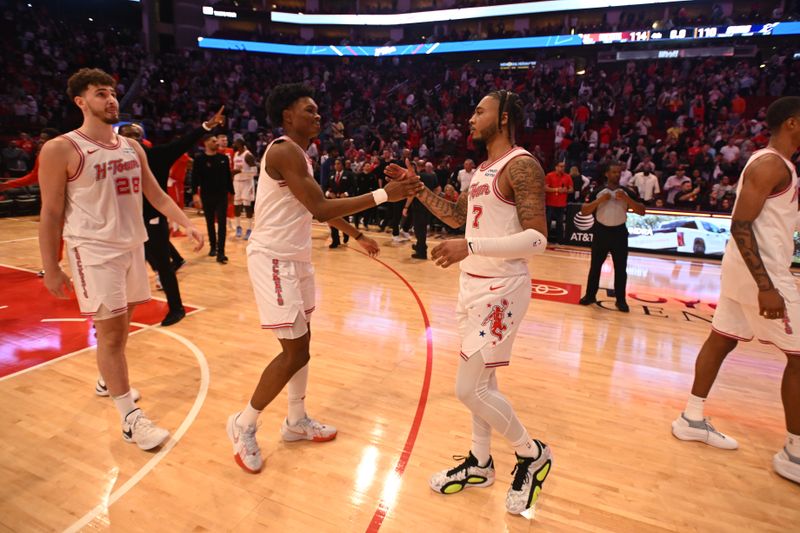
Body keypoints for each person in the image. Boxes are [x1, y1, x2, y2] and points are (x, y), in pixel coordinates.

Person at [225, 83, 420, 474]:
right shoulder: (282, 150)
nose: (318, 116)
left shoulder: (303, 154)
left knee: (305, 346)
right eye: (310, 110)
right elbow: (318, 206)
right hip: (273, 260)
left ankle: (295, 421)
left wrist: (358, 234)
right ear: (287, 116)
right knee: (294, 350)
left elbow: (314, 206)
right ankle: (243, 423)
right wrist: (384, 195)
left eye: (317, 111)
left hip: (296, 259)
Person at [387, 89, 552, 516]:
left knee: (468, 388)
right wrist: (418, 188)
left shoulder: (522, 165)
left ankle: (531, 453)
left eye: (480, 111)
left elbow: (537, 238)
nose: (470, 118)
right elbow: (457, 218)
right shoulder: (482, 169)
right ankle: (480, 463)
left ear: (504, 118)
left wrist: (471, 246)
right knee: (484, 384)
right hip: (472, 286)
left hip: (501, 289)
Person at [38, 68, 204, 450]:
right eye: (100, 94)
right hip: (93, 250)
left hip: (132, 246)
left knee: (120, 325)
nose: (111, 99)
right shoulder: (62, 148)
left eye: (112, 93)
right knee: (112, 333)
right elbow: (50, 212)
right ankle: (130, 420)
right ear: (81, 102)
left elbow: (157, 194)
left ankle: (105, 379)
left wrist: (187, 224)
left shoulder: (131, 147)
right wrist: (52, 267)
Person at [671, 96, 800, 485]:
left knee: (721, 339)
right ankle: (795, 453)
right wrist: (766, 288)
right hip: (764, 276)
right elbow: (741, 225)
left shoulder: (778, 164)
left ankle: (691, 418)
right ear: (792, 123)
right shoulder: (769, 164)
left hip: (744, 272)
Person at [119, 109, 225, 326]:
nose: (130, 142)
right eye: (126, 138)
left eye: (134, 138)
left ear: (141, 141)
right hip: (128, 221)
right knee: (129, 266)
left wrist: (206, 126)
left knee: (162, 266)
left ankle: (176, 308)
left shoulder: (157, 155)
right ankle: (114, 314)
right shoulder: (114, 162)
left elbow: (185, 142)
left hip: (153, 217)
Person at [578, 161, 645, 312]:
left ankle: (621, 300)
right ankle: (590, 295)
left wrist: (627, 200)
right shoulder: (598, 191)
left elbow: (642, 211)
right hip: (601, 232)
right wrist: (599, 200)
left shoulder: (627, 192)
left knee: (621, 269)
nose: (617, 174)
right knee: (595, 267)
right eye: (614, 172)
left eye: (619, 172)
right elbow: (584, 211)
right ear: (607, 174)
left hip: (619, 233)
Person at [192, 134, 234, 264]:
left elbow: (228, 177)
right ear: (205, 143)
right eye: (213, 141)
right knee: (210, 222)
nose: (217, 143)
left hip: (221, 195)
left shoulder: (223, 158)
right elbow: (194, 178)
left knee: (222, 223)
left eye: (217, 141)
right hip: (206, 195)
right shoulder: (199, 159)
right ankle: (213, 247)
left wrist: (232, 193)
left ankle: (221, 252)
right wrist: (194, 194)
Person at [404, 161, 440, 260]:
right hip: (427, 206)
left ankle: (422, 252)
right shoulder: (432, 176)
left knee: (419, 229)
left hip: (418, 207)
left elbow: (412, 194)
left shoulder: (417, 178)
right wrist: (431, 198)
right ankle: (420, 245)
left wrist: (406, 207)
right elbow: (438, 189)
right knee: (422, 228)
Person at [231, 138, 257, 240]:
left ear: (241, 144)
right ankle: (238, 227)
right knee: (237, 205)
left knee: (247, 206)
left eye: (235, 143)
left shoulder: (248, 155)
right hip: (236, 182)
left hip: (247, 183)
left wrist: (240, 171)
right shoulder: (236, 154)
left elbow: (255, 172)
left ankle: (250, 229)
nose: (234, 145)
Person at [325, 158, 353, 248]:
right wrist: (329, 193)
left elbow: (353, 187)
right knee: (334, 220)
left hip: (344, 201)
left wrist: (346, 193)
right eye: (335, 164)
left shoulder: (349, 174)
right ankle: (335, 241)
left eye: (338, 164)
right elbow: (325, 187)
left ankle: (346, 234)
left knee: (345, 220)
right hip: (333, 201)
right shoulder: (331, 175)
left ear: (342, 165)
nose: (336, 165)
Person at [544, 161, 573, 243]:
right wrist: (556, 189)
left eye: (563, 166)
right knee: (548, 221)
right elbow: (545, 188)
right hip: (550, 203)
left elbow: (571, 189)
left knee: (560, 223)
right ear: (556, 167)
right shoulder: (549, 175)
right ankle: (545, 239)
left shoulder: (568, 177)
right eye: (560, 166)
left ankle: (560, 241)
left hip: (561, 203)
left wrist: (566, 190)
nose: (562, 168)